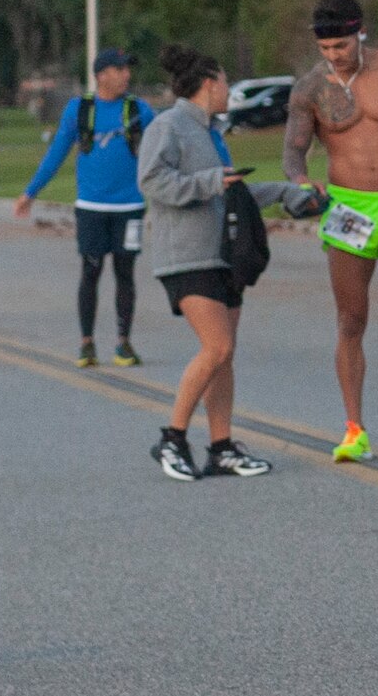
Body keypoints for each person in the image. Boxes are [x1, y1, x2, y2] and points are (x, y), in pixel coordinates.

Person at [138, 45, 324, 481]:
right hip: (186, 256)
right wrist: (209, 181)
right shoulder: (170, 126)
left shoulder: (211, 132)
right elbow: (151, 180)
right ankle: (172, 438)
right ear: (209, 84)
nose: (227, 91)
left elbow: (230, 193)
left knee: (224, 356)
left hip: (224, 254)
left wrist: (285, 193)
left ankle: (221, 447)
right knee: (216, 347)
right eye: (224, 82)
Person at [283, 0, 378, 463]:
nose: (334, 55)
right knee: (351, 319)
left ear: (360, 32)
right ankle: (355, 428)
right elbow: (294, 149)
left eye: (342, 45)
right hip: (347, 208)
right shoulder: (310, 89)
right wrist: (300, 180)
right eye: (326, 48)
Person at [16, 48, 158, 368]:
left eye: (127, 70)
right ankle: (87, 343)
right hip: (91, 207)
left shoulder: (139, 110)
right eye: (120, 70)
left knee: (126, 273)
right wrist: (30, 192)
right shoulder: (79, 110)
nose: (126, 75)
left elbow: (167, 143)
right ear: (102, 75)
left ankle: (123, 343)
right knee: (90, 271)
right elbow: (57, 153)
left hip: (130, 208)